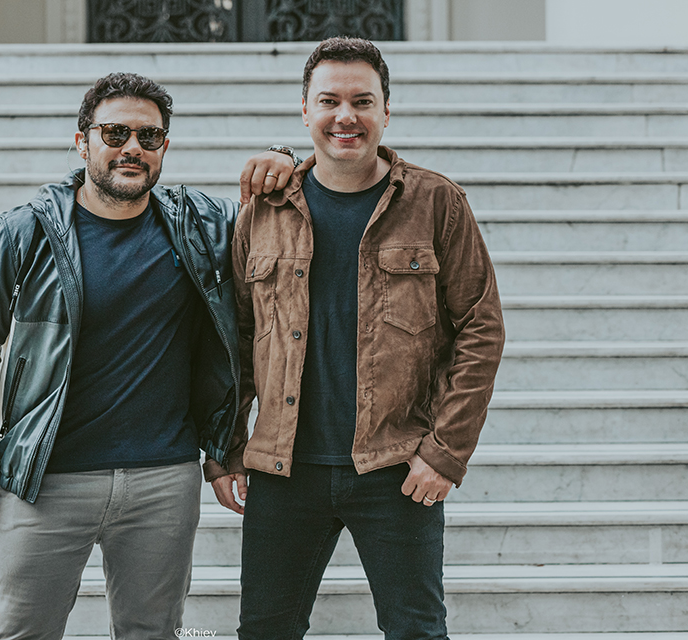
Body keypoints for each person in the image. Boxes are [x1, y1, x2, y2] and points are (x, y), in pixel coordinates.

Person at [0, 72, 293, 640]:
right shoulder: (24, 232)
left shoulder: (202, 226)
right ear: (82, 141)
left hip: (164, 480)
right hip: (47, 480)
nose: (132, 147)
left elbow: (290, 219)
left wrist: (281, 157)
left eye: (148, 137)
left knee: (151, 633)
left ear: (164, 148)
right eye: (115, 132)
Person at [208, 37, 506, 639]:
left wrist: (445, 451)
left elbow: (480, 328)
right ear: (305, 110)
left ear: (386, 112)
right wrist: (225, 447)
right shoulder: (261, 210)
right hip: (283, 471)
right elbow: (234, 337)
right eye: (330, 101)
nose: (346, 116)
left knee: (417, 631)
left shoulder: (436, 202)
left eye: (362, 101)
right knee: (265, 629)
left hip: (396, 468)